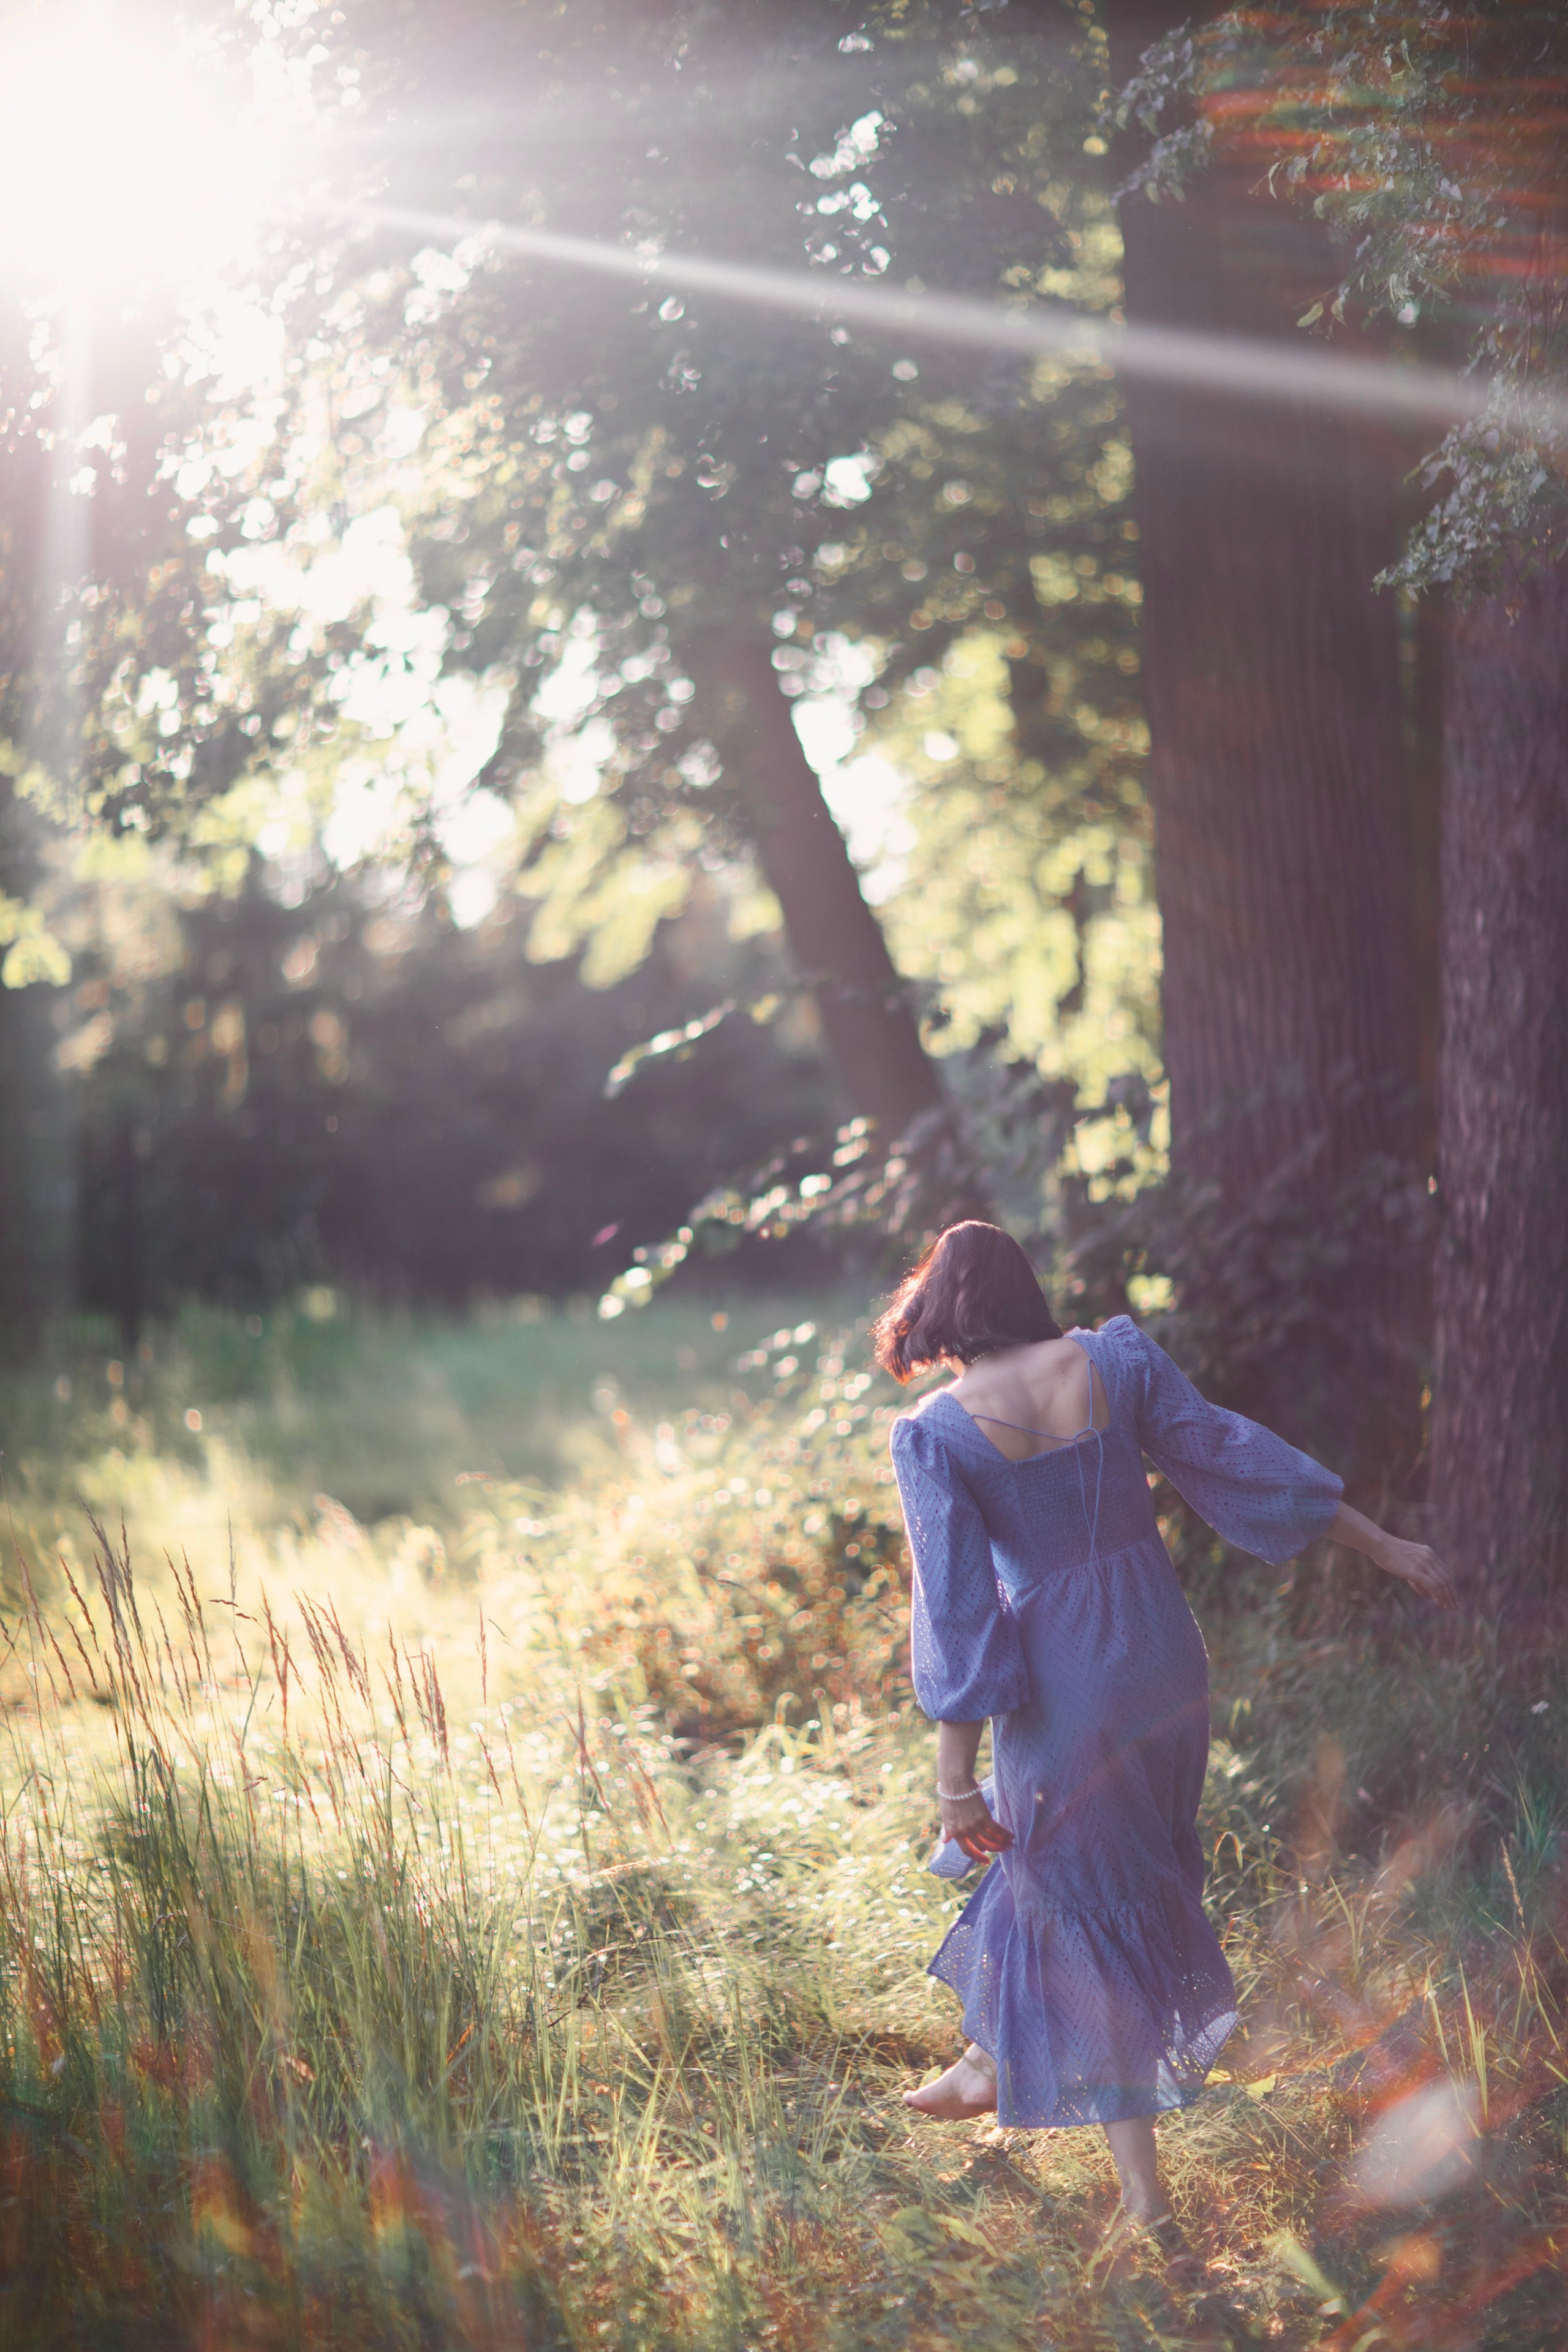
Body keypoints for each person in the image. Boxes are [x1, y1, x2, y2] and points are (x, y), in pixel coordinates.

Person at [875, 1221, 1455, 2236]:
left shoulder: (938, 1431)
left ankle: (1141, 2201)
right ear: (1024, 1291)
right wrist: (1385, 1544)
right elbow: (1242, 1459)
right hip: (1161, 1658)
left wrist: (956, 1782)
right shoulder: (1114, 1361)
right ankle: (987, 2065)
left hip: (1065, 1681)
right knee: (1084, 1876)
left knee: (1078, 1898)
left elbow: (960, 1614)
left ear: (943, 1311)